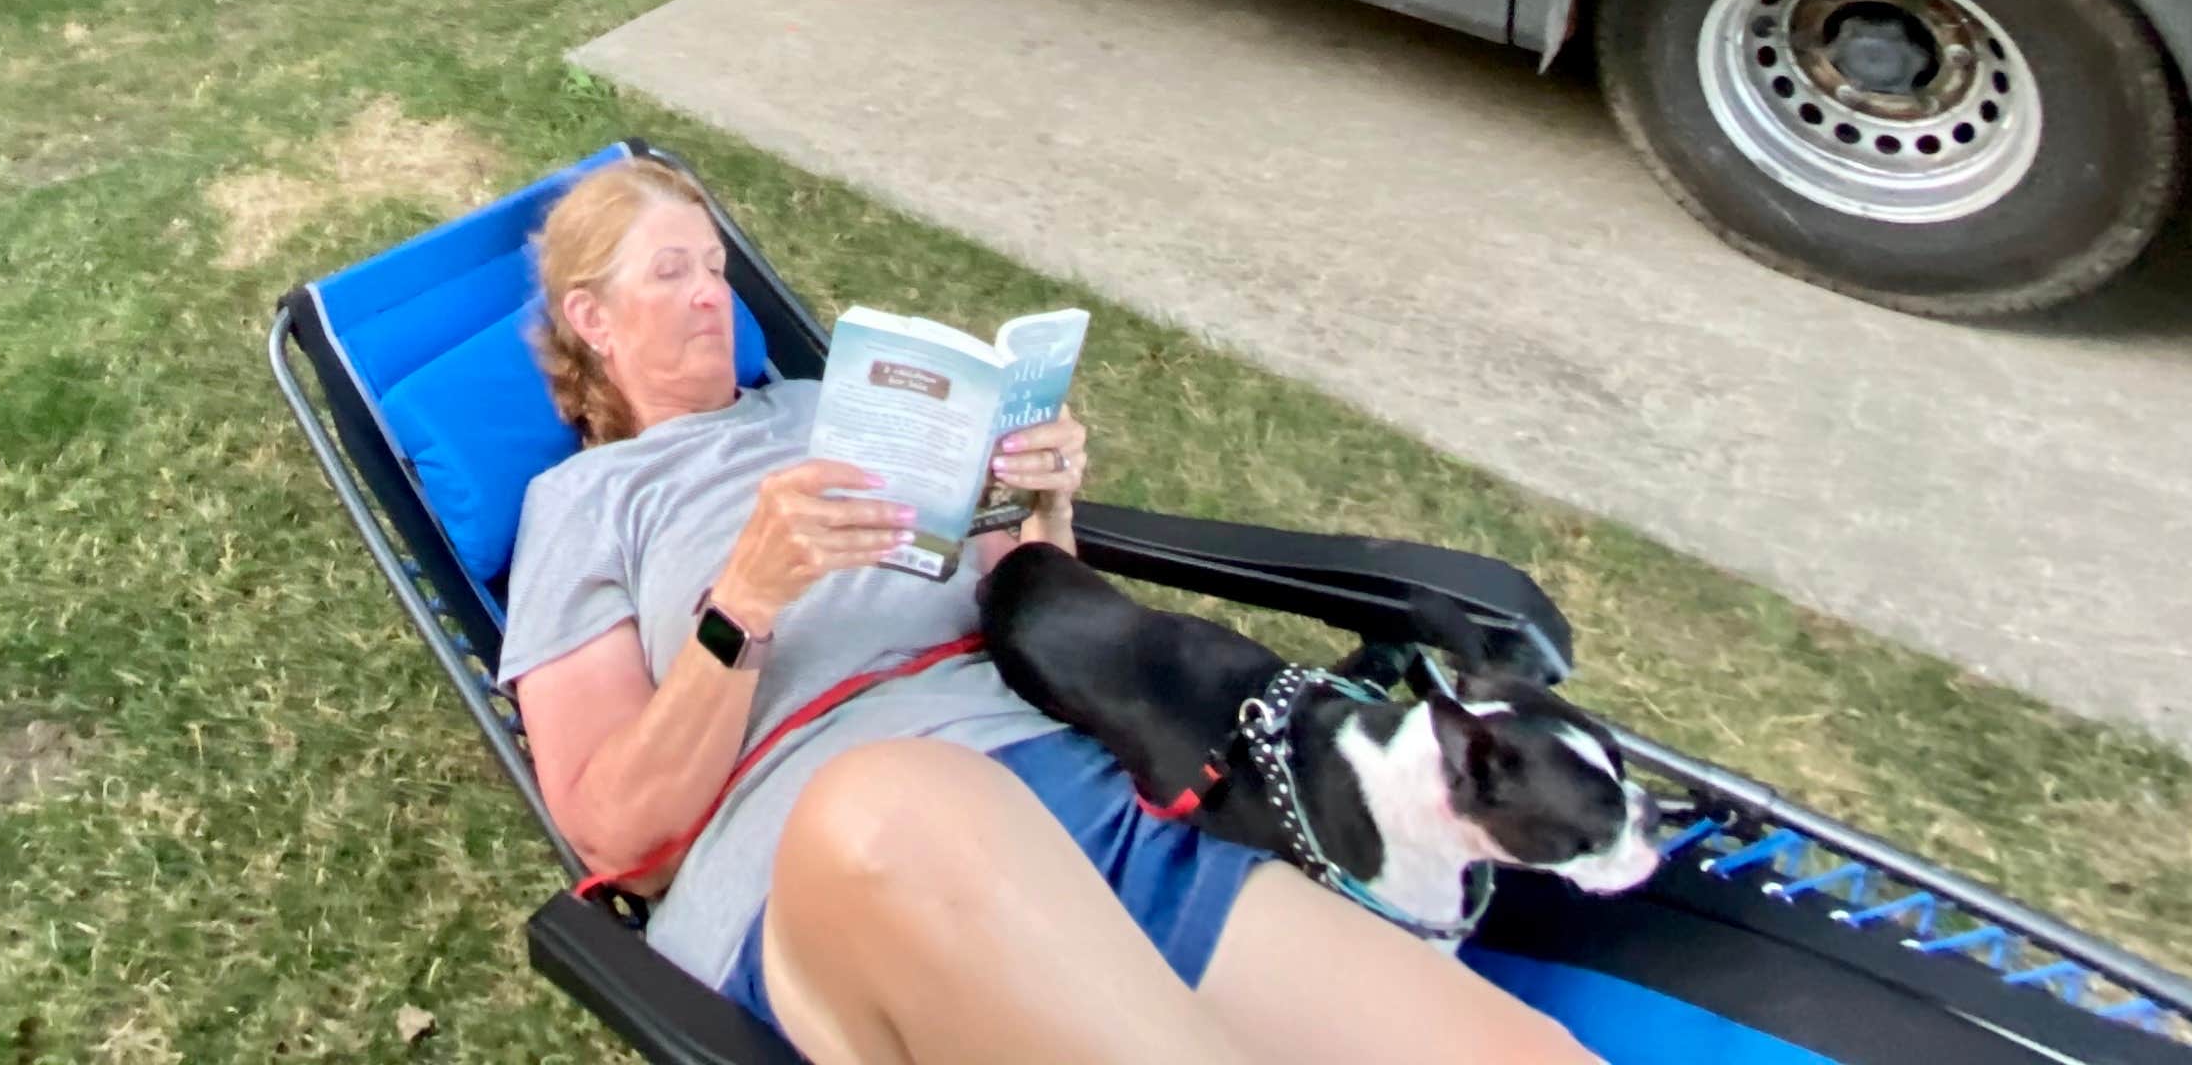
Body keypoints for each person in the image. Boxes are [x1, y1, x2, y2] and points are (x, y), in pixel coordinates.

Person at [500, 165, 1594, 1065]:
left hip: (1077, 798)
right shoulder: (586, 505)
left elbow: (1033, 611)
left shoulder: (839, 405)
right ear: (589, 317)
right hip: (820, 862)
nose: (711, 294)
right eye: (671, 271)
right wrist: (740, 607)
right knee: (901, 803)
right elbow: (618, 840)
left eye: (717, 266)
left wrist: (1038, 500)